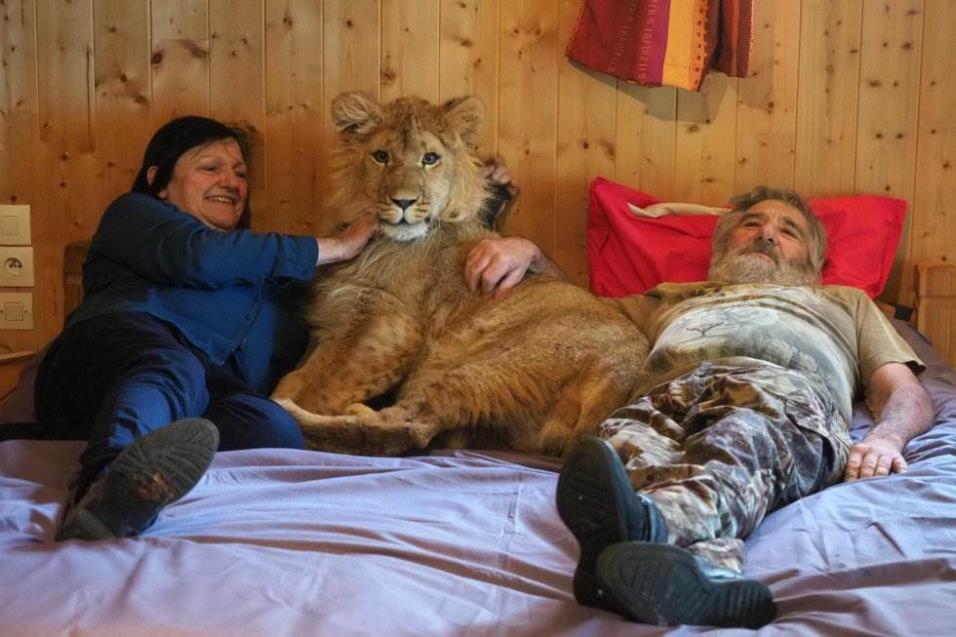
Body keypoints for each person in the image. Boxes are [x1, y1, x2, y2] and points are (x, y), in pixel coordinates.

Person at [464, 186, 934, 628]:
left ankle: (642, 532)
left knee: (741, 437)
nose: (767, 233)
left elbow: (902, 389)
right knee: (621, 446)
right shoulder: (671, 295)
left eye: (788, 231)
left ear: (812, 264)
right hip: (663, 393)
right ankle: (706, 574)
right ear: (723, 248)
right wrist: (531, 252)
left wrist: (886, 437)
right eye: (752, 224)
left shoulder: (844, 302)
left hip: (776, 390)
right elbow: (581, 313)